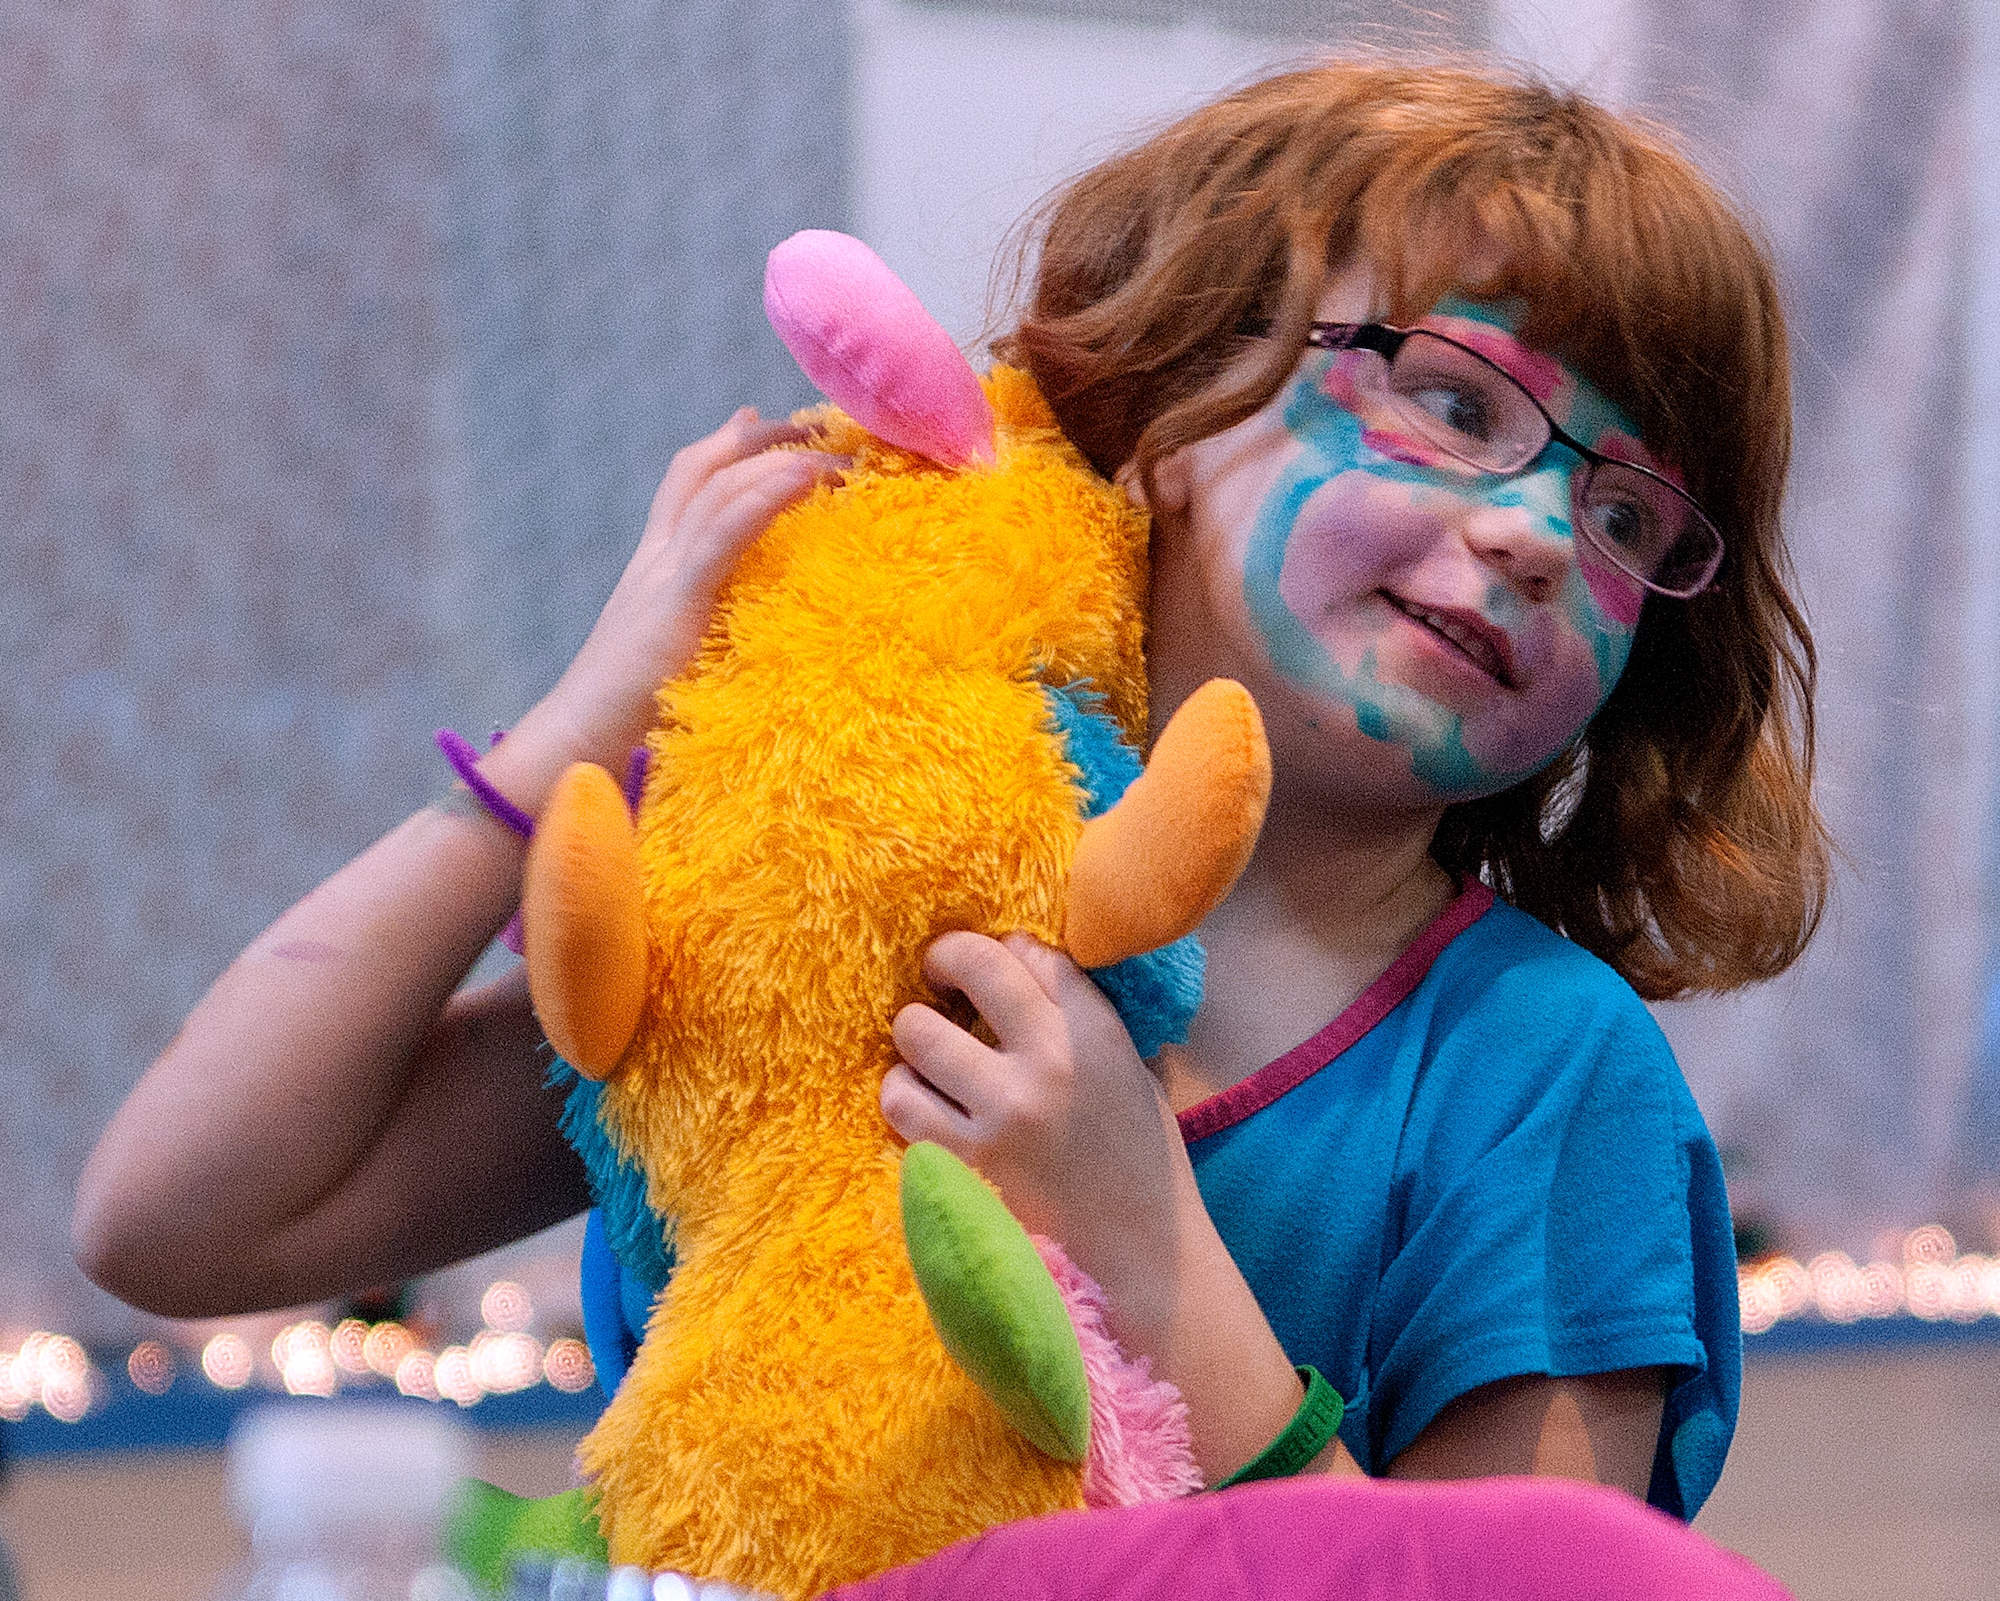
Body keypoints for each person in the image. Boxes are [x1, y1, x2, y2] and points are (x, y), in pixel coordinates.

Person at [74, 59, 1826, 1524]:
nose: (1533, 535)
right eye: (1455, 401)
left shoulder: (1547, 1084)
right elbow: (177, 1213)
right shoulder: (815, 910)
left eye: (1625, 523)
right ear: (1167, 389)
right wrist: (574, 734)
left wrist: (1153, 1248)